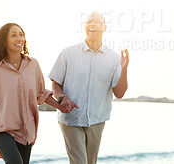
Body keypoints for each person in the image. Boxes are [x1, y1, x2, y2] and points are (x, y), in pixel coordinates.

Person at [49, 11, 129, 164]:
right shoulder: (68, 53)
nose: (92, 24)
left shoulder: (114, 58)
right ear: (85, 27)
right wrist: (62, 97)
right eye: (89, 21)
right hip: (71, 119)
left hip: (97, 120)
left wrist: (124, 69)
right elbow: (55, 83)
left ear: (104, 27)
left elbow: (119, 93)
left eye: (96, 22)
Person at [0, 23, 61, 164]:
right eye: (14, 35)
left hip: (26, 130)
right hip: (2, 129)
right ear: (3, 41)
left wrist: (61, 107)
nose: (19, 38)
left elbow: (41, 93)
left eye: (21, 34)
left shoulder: (33, 64)